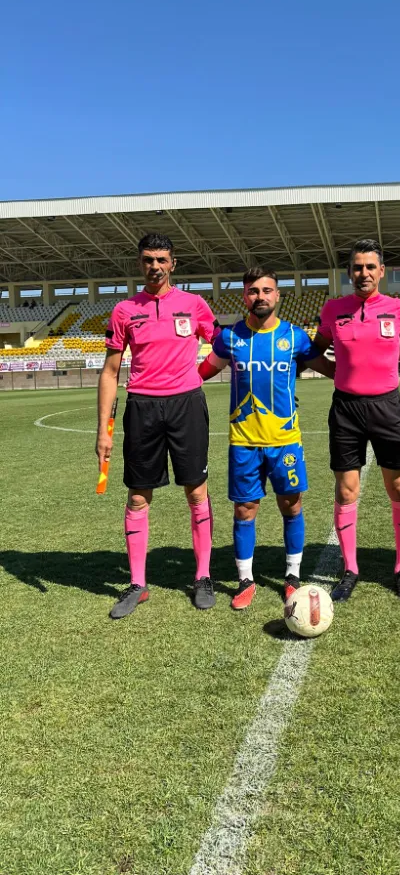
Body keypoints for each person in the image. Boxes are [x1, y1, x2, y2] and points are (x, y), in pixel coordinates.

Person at [198, 267, 334, 610]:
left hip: (285, 441)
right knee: (245, 509)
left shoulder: (295, 337)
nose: (260, 296)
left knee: (291, 504)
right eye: (253, 291)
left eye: (267, 290)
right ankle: (246, 580)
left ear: (277, 295)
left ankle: (292, 576)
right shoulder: (230, 338)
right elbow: (201, 373)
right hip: (244, 441)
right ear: (245, 296)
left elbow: (331, 368)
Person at [97, 234, 218, 619]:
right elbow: (110, 372)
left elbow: (224, 346)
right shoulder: (124, 311)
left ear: (173, 264)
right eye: (148, 259)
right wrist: (103, 431)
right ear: (140, 264)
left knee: (196, 491)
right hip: (143, 407)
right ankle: (137, 584)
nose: (155, 266)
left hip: (187, 405)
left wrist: (198, 375)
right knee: (137, 497)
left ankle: (202, 577)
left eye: (162, 259)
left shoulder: (194, 305)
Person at [314, 238, 400, 603]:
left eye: (370, 267)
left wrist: (395, 361)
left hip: (387, 407)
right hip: (346, 408)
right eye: (357, 267)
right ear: (349, 272)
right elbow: (314, 351)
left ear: (382, 271)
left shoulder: (399, 310)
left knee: (398, 487)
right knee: (346, 490)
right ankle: (349, 569)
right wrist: (339, 373)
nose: (364, 273)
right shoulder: (333, 310)